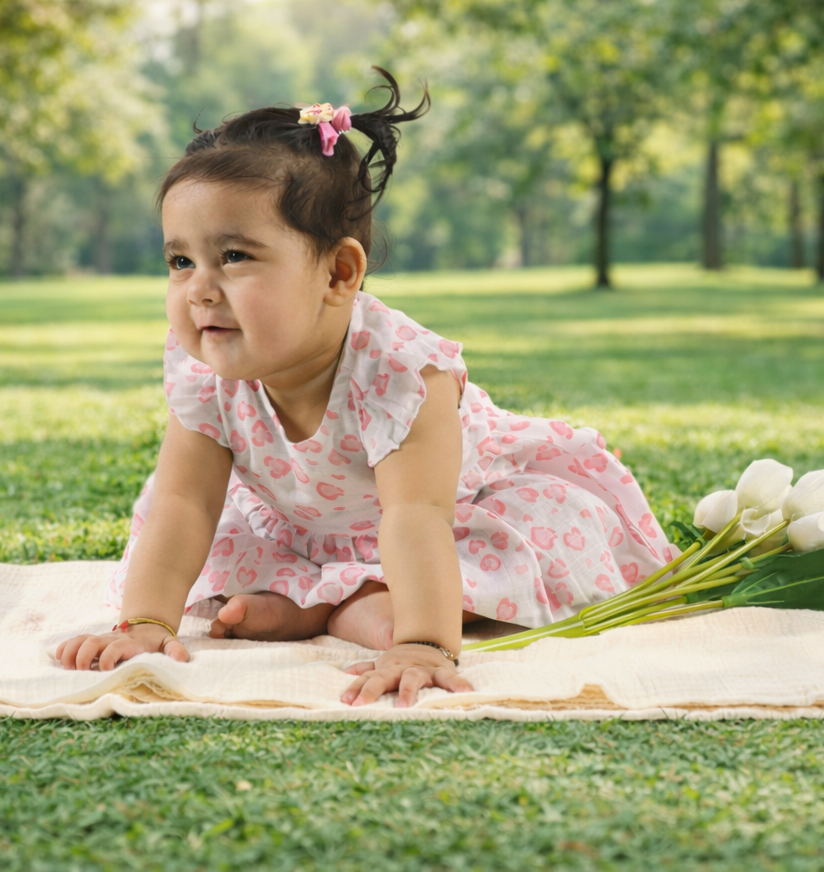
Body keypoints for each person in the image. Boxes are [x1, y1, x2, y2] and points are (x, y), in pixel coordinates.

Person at [55, 70, 675, 706]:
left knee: (490, 572)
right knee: (215, 540)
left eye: (234, 257)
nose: (200, 289)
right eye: (180, 262)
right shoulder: (209, 367)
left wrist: (425, 644)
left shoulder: (400, 375)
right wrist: (148, 623)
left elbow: (417, 516)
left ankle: (337, 606)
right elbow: (185, 502)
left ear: (339, 273)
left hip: (442, 516)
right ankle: (332, 600)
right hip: (299, 523)